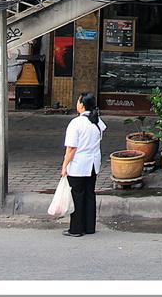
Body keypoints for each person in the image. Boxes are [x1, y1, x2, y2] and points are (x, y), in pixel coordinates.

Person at [61, 92, 106, 237]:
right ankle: (89, 227)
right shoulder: (97, 122)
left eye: (78, 101)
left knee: (77, 196)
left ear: (82, 105)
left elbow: (71, 148)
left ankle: (76, 228)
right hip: (93, 164)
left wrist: (64, 165)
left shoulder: (76, 123)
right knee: (89, 194)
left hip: (79, 164)